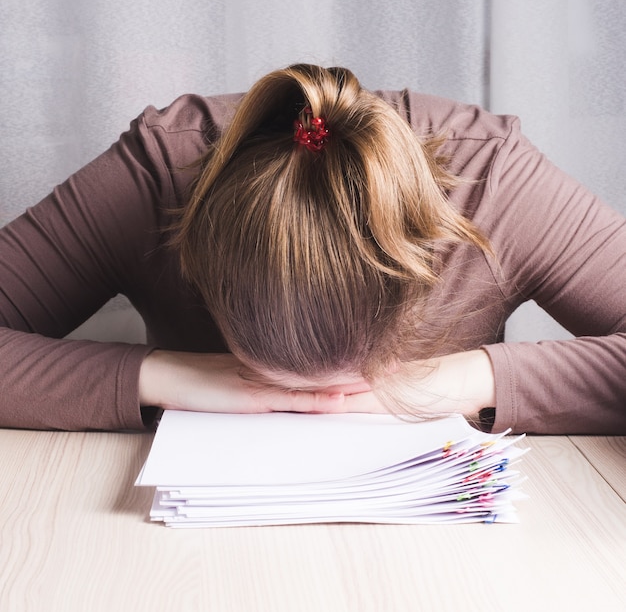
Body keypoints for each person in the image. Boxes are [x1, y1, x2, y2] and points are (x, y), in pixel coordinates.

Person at [1, 63, 625, 434]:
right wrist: (170, 375)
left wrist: (459, 379)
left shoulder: (493, 178)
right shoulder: (157, 174)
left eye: (355, 384)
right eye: (268, 381)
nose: (319, 411)